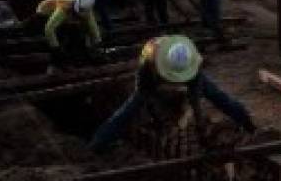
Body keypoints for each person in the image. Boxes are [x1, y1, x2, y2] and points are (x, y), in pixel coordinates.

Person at [88, 35, 254, 152]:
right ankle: (98, 143)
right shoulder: (149, 59)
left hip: (181, 71)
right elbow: (145, 91)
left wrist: (199, 122)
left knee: (218, 96)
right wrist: (156, 117)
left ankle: (249, 126)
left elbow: (195, 93)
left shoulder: (191, 57)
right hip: (150, 75)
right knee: (130, 109)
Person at [35, 0, 102, 63]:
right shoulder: (64, 7)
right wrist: (56, 48)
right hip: (44, 12)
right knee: (67, 31)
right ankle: (61, 56)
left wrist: (98, 43)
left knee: (79, 27)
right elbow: (49, 29)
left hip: (66, 14)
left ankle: (77, 52)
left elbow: (93, 26)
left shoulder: (87, 10)